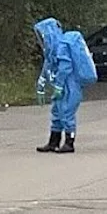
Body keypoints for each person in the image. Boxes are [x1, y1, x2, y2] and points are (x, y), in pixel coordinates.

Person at [34, 17, 98, 153]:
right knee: (57, 112)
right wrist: (42, 82)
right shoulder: (52, 49)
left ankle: (70, 142)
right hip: (63, 85)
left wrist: (58, 85)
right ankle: (53, 142)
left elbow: (65, 67)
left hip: (70, 85)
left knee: (67, 113)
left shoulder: (62, 46)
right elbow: (48, 64)